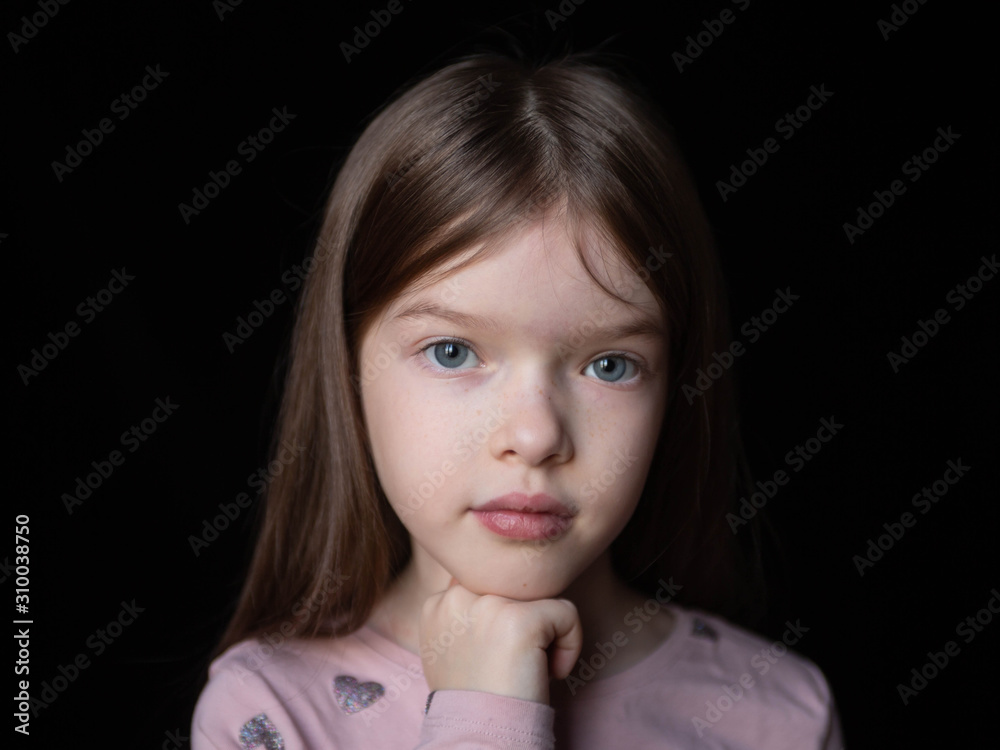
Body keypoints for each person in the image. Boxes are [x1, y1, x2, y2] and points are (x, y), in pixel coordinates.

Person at [191, 47, 844, 749]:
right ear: (347, 372)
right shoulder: (270, 715)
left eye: (610, 365)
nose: (534, 436)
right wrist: (485, 712)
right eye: (453, 352)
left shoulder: (775, 715)